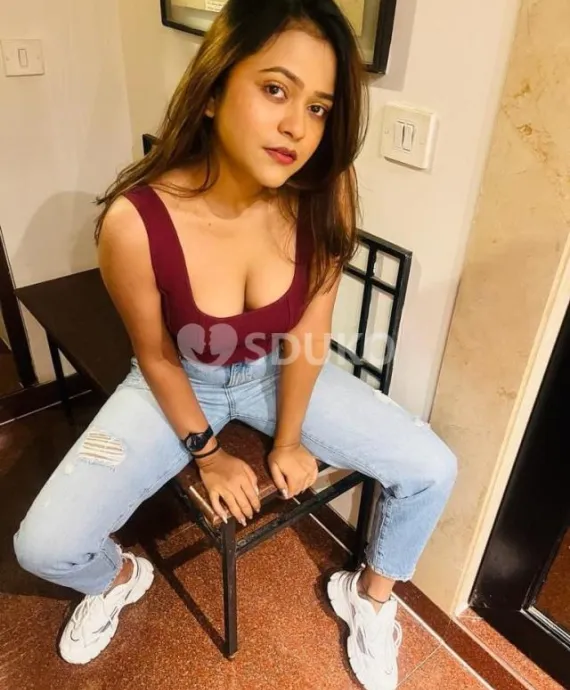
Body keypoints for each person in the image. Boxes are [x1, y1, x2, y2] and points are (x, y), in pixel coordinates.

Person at [13, 1, 457, 688]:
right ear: (214, 90)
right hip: (179, 374)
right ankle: (120, 578)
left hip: (277, 369)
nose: (297, 127)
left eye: (318, 107)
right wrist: (209, 456)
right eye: (276, 89)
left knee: (432, 467)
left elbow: (309, 332)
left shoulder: (325, 191)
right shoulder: (136, 221)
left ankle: (368, 598)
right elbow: (156, 355)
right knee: (43, 546)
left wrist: (289, 439)